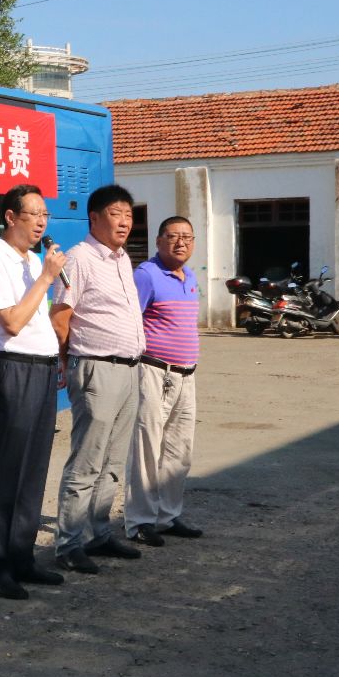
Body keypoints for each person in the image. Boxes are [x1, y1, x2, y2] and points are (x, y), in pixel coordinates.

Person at [0, 184, 68, 599]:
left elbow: (40, 318)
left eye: (45, 215)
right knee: (5, 469)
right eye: (34, 214)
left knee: (33, 469)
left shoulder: (32, 261)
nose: (41, 222)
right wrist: (46, 278)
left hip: (42, 368)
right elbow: (11, 322)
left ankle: (21, 557)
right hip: (13, 367)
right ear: (10, 217)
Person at [49, 184, 147, 575]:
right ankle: (69, 543)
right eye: (115, 213)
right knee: (88, 460)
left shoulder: (122, 259)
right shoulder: (80, 258)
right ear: (94, 217)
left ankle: (99, 533)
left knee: (113, 460)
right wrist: (66, 361)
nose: (124, 222)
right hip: (96, 368)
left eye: (129, 215)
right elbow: (60, 317)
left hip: (129, 369)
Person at [126, 215, 206, 545]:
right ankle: (139, 521)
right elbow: (130, 322)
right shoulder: (146, 275)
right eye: (173, 236)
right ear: (159, 241)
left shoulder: (190, 277)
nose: (180, 242)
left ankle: (167, 516)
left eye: (187, 237)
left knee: (179, 449)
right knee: (147, 447)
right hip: (155, 372)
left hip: (187, 374)